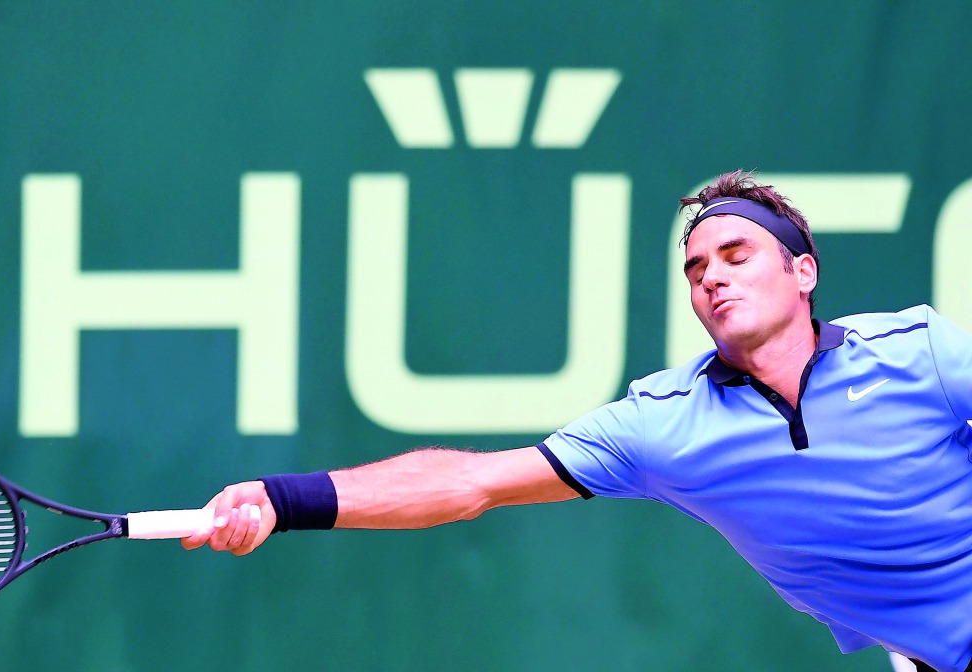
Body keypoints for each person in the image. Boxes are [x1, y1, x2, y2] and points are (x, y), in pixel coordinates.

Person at [182, 170, 972, 672]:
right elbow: (467, 483)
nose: (712, 279)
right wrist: (282, 501)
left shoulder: (920, 353)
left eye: (737, 255)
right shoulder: (663, 425)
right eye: (695, 270)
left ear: (803, 272)